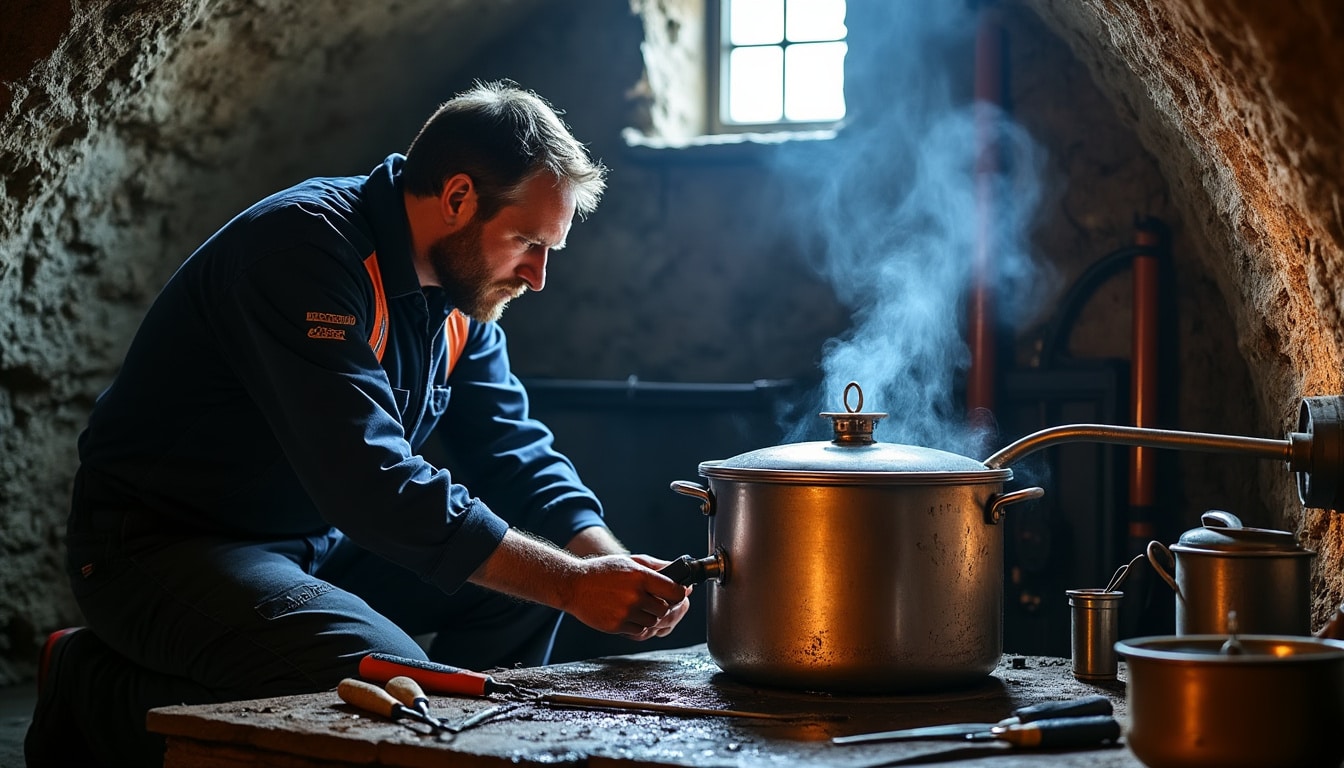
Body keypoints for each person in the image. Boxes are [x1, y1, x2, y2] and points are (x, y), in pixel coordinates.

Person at [25, 79, 692, 767]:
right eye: (526, 240)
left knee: (522, 597)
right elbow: (371, 481)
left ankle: (453, 756)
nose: (538, 275)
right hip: (158, 547)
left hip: (315, 540)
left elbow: (512, 448)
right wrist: (571, 582)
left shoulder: (463, 298)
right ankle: (93, 687)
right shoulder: (304, 252)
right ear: (458, 198)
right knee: (388, 682)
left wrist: (598, 560)